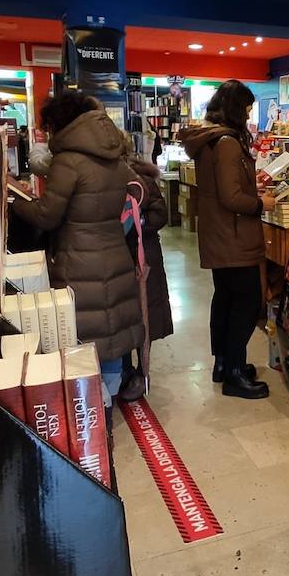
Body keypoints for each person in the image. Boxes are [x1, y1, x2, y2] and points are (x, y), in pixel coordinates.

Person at [10, 90, 144, 402]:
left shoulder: (68, 161)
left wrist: (17, 203)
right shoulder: (114, 156)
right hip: (115, 255)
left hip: (78, 261)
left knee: (83, 337)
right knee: (110, 337)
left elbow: (47, 215)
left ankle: (93, 411)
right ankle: (107, 401)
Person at [178, 79, 277, 400]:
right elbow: (231, 198)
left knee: (225, 300)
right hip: (235, 239)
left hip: (220, 235)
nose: (249, 116)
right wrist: (262, 202)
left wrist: (250, 192)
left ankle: (225, 364)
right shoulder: (228, 143)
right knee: (246, 305)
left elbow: (224, 190)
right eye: (247, 109)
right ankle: (234, 373)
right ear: (236, 110)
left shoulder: (209, 139)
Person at [117, 139, 174, 402]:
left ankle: (142, 371)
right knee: (124, 316)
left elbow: (159, 215)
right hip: (119, 256)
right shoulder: (105, 178)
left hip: (143, 255)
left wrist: (135, 223)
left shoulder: (140, 179)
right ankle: (125, 369)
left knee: (144, 313)